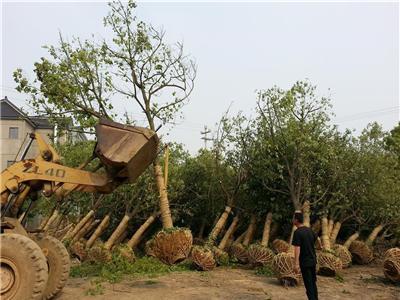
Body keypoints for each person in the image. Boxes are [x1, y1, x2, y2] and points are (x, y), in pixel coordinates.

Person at [292, 211, 319, 300]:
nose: (292, 220)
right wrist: (321, 247)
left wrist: (296, 264)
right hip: (313, 261)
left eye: (293, 218)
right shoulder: (309, 230)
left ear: (296, 220)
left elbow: (297, 249)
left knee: (309, 286)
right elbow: (318, 239)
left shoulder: (297, 232)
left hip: (305, 263)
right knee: (313, 283)